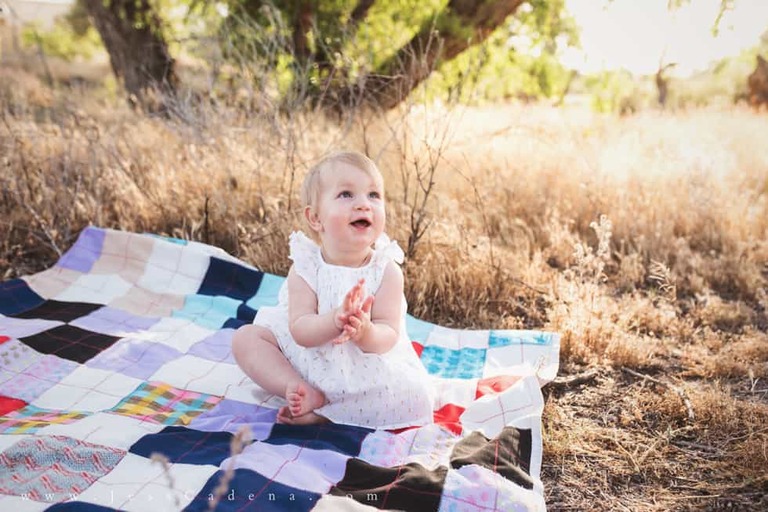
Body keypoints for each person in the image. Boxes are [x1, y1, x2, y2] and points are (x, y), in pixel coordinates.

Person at [232, 151, 434, 428]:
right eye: (346, 194)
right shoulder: (306, 268)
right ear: (316, 218)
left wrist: (365, 332)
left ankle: (325, 413)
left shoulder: (386, 270)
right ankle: (297, 388)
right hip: (307, 361)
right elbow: (300, 331)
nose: (363, 204)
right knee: (245, 339)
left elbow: (388, 334)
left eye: (374, 195)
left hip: (362, 371)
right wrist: (334, 320)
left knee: (418, 396)